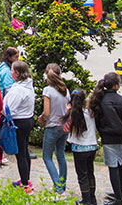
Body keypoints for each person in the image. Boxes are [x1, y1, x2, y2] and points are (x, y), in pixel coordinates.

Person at [90, 72, 122, 205]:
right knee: (121, 164)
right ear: (117, 86)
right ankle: (121, 193)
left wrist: (102, 132)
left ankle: (118, 197)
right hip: (121, 136)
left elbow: (98, 120)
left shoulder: (100, 100)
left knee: (113, 166)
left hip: (108, 136)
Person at [4, 60, 35, 192]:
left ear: (16, 73)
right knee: (24, 151)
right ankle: (25, 179)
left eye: (11, 70)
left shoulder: (19, 90)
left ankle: (25, 184)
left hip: (19, 122)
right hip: (27, 119)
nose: (10, 72)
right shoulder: (27, 85)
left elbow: (9, 109)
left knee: (20, 153)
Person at [39, 63, 69, 194]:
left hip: (52, 126)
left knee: (47, 157)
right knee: (60, 155)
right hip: (63, 126)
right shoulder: (65, 90)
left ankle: (57, 186)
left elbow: (46, 112)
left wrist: (41, 118)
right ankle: (62, 184)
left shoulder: (48, 90)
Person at [67, 87, 98, 205]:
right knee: (90, 172)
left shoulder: (73, 113)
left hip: (79, 148)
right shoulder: (90, 111)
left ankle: (86, 200)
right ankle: (92, 198)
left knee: (82, 175)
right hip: (92, 146)